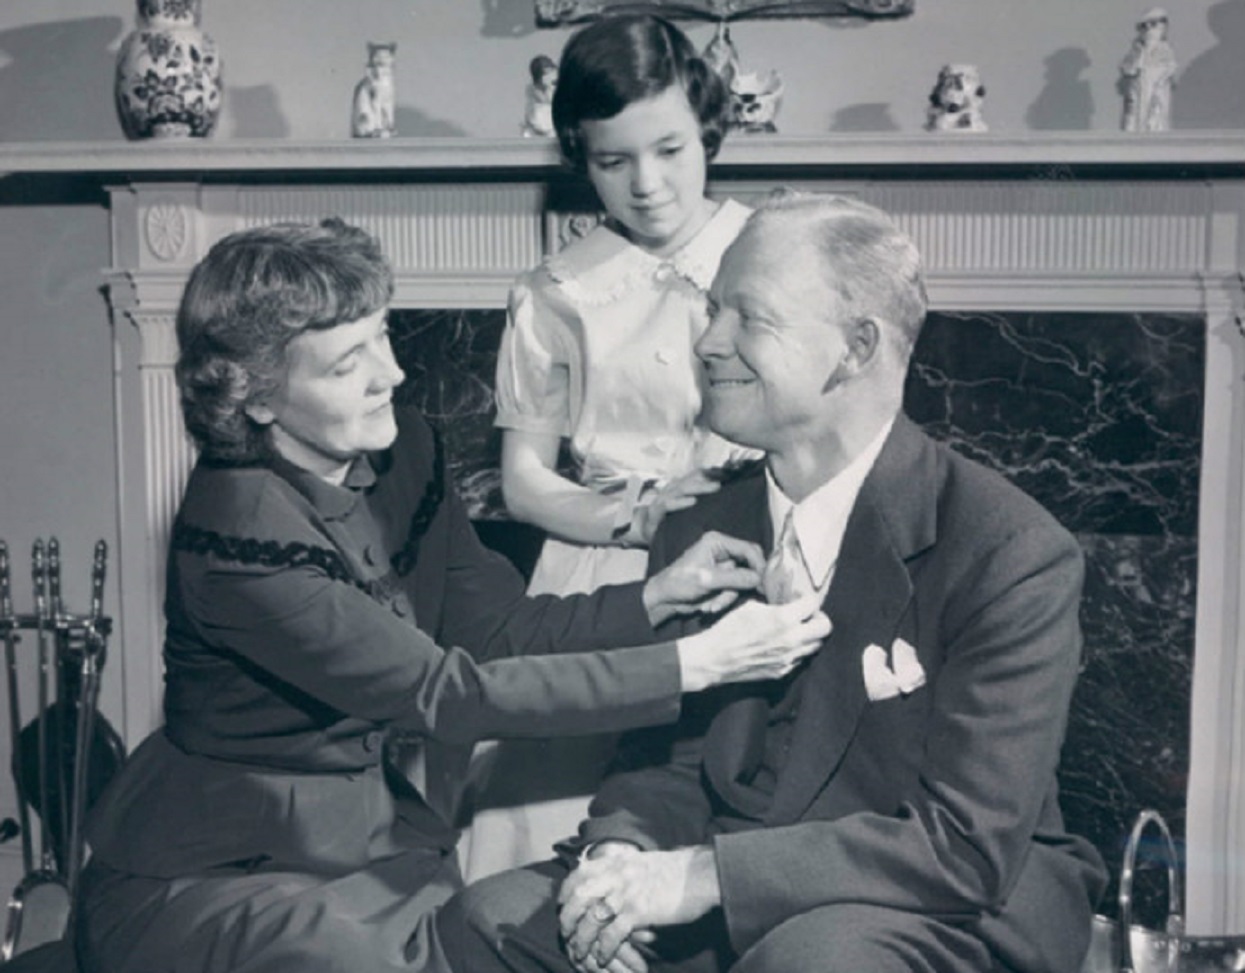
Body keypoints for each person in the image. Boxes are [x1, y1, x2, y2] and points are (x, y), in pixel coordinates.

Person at [71, 218, 831, 973]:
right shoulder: (238, 535)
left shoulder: (402, 445)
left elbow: (494, 626)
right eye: (346, 366)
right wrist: (693, 662)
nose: (391, 374)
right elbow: (447, 693)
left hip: (371, 845)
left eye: (382, 336)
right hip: (224, 869)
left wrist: (656, 598)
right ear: (259, 402)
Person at [436, 193, 1109, 973]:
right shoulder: (696, 526)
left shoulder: (1008, 550)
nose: (707, 341)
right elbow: (667, 760)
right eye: (712, 308)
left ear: (854, 350)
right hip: (733, 876)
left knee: (810, 961)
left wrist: (699, 876)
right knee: (487, 917)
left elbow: (961, 843)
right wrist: (620, 859)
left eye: (747, 317)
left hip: (936, 903)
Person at [460, 13, 759, 883]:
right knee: (543, 830)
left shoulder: (770, 252)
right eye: (612, 161)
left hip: (748, 562)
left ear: (705, 125)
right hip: (600, 577)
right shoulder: (556, 290)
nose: (649, 185)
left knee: (712, 824)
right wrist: (638, 519)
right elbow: (521, 483)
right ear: (579, 159)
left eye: (668, 149)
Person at [1119, 6, 1176, 132]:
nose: (1149, 29)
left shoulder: (1164, 48)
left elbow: (1170, 66)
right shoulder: (1136, 49)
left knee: (1155, 112)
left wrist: (1161, 80)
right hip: (1139, 85)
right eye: (1143, 26)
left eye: (1153, 24)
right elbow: (1127, 67)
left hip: (1157, 85)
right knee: (1135, 113)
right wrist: (1136, 64)